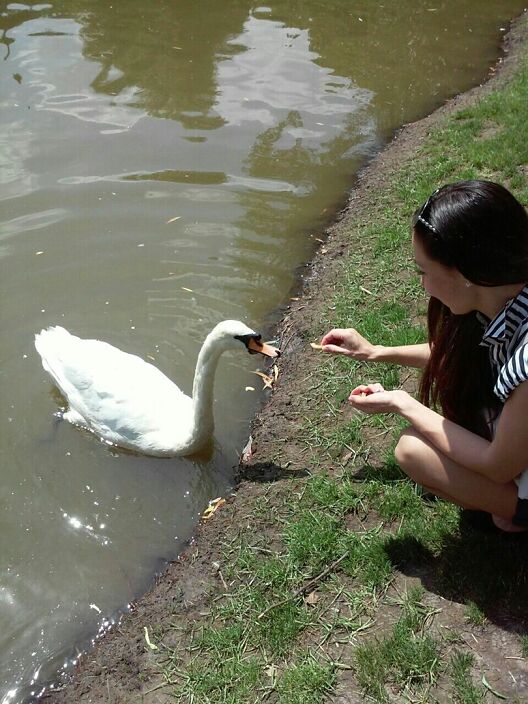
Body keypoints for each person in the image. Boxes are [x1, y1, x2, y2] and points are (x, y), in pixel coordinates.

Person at [320, 180, 528, 533]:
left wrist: (403, 404)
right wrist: (375, 352)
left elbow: (497, 467)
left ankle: (520, 514)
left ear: (462, 274)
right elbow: (462, 356)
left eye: (424, 273)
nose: (423, 286)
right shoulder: (503, 296)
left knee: (412, 450)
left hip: (507, 465)